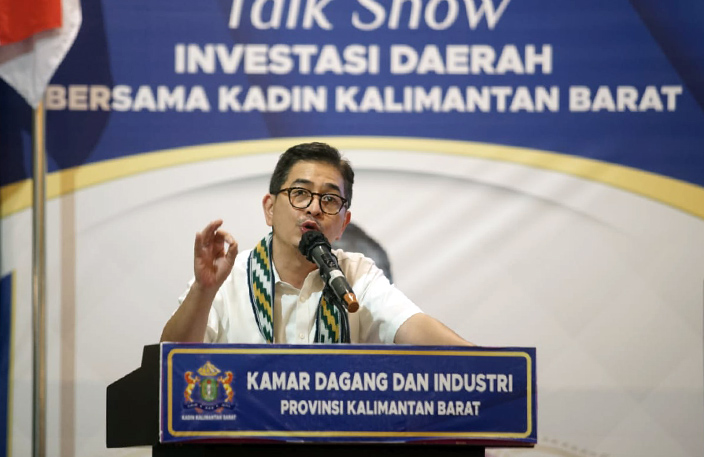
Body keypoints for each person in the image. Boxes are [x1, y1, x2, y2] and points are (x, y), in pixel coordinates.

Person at [161, 142, 472, 346]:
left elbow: (414, 327)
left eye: (330, 199)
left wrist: (489, 367)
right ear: (270, 209)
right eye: (300, 193)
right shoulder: (229, 279)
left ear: (343, 224)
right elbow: (169, 364)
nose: (313, 208)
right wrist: (204, 290)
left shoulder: (356, 275)